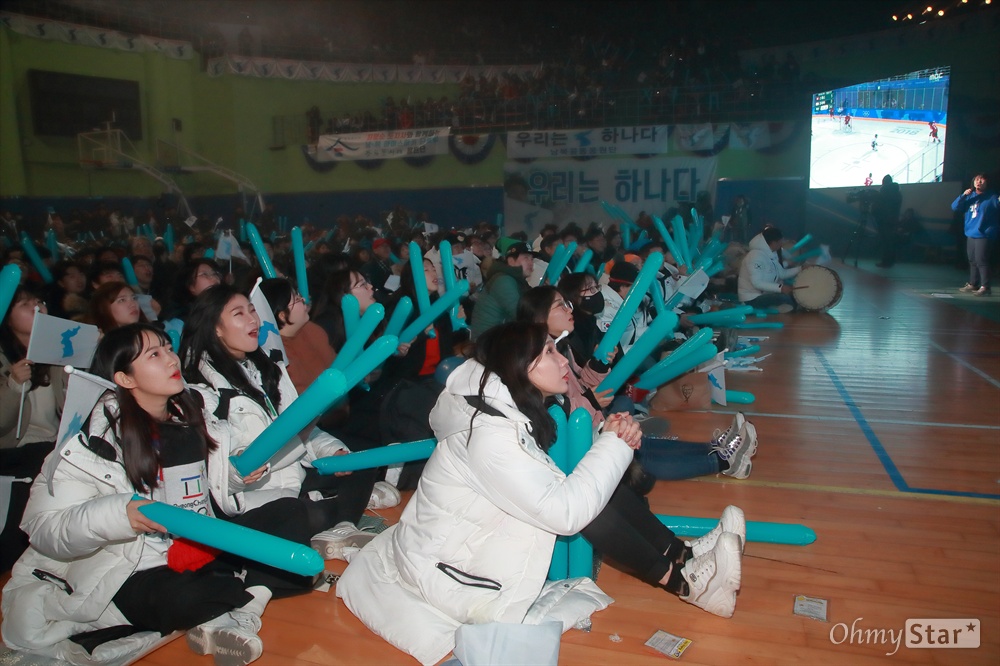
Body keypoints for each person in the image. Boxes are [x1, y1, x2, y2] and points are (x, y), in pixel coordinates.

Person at [338, 322, 745, 665]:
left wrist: (611, 443)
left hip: (469, 543)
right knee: (586, 505)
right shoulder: (488, 434)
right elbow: (565, 514)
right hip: (451, 571)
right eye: (549, 352)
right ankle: (688, 585)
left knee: (592, 486)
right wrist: (615, 444)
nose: (564, 360)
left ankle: (684, 557)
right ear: (520, 367)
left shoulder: (497, 407)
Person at [1, 324, 315, 666]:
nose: (170, 358)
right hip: (136, 567)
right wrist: (122, 515)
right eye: (154, 354)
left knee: (290, 513)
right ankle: (233, 597)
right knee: (185, 597)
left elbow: (212, 490)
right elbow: (44, 529)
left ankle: (247, 607)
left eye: (167, 347)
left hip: (203, 542)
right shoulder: (91, 445)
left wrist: (237, 475)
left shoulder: (194, 411)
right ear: (125, 378)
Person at [180, 285, 378, 560]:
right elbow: (217, 470)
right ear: (215, 328)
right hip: (254, 495)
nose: (253, 320)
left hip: (291, 476)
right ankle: (330, 516)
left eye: (252, 310)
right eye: (239, 314)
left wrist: (331, 450)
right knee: (294, 514)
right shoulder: (202, 389)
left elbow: (301, 425)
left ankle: (341, 526)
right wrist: (239, 469)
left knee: (360, 461)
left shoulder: (266, 369)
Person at [518, 286, 757, 483]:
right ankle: (723, 461)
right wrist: (591, 400)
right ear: (539, 316)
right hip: (576, 443)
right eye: (561, 305)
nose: (569, 309)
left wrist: (599, 366)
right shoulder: (534, 356)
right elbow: (554, 408)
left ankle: (714, 449)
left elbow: (580, 384)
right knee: (639, 458)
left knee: (642, 444)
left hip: (591, 421)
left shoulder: (561, 347)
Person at [0, 287, 66, 571]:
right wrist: (13, 385)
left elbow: (66, 409)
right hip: (17, 454)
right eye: (26, 304)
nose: (37, 307)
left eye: (40, 301)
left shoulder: (54, 353)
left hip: (51, 448)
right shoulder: (3, 359)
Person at [469, 238, 534, 340]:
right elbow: (521, 315)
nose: (531, 262)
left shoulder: (516, 280)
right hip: (489, 345)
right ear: (511, 261)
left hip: (499, 339)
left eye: (532, 259)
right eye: (526, 258)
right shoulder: (504, 280)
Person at [952, 174, 999, 296]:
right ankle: (973, 283)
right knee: (972, 259)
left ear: (987, 182)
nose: (979, 182)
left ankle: (985, 286)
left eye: (982, 180)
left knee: (981, 260)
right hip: (971, 232)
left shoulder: (992, 197)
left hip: (984, 233)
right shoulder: (969, 197)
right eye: (977, 180)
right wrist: (964, 195)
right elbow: (955, 207)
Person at [737, 227, 801, 312]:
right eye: (780, 242)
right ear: (774, 242)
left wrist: (801, 268)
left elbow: (782, 273)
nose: (781, 244)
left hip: (764, 295)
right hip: (752, 298)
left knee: (793, 299)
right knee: (785, 299)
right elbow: (757, 283)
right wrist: (780, 288)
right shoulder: (755, 256)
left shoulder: (771, 254)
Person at [874, 174, 903, 268]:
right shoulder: (897, 193)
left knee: (885, 241)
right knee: (890, 241)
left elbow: (878, 206)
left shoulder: (884, 192)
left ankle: (885, 261)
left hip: (884, 220)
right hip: (893, 220)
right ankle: (891, 261)